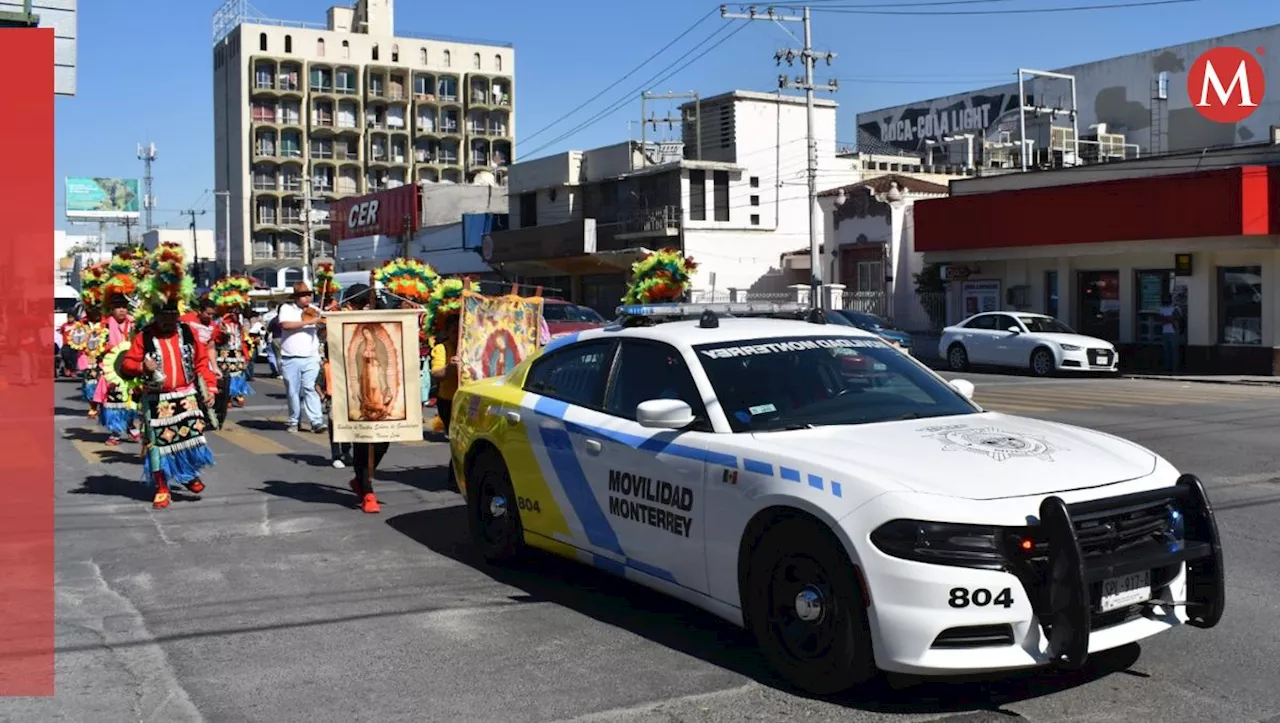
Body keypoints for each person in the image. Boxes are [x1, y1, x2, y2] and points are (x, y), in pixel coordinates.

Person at [117, 244, 219, 509]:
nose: (169, 320)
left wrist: (210, 388)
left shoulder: (187, 333)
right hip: (156, 400)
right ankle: (162, 487)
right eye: (164, 315)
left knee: (189, 441)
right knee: (158, 447)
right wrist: (143, 368)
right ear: (155, 313)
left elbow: (201, 363)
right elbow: (127, 364)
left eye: (173, 315)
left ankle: (187, 475)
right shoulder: (144, 336)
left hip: (186, 397)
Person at [276, 283, 326, 433]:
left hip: (311, 356)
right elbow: (285, 325)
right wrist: (310, 322)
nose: (307, 299)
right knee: (293, 391)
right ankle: (294, 420)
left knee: (311, 388)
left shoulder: (315, 310)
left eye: (309, 295)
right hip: (290, 356)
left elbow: (322, 333)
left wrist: (322, 325)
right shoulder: (287, 309)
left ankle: (316, 421)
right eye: (304, 296)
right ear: (297, 298)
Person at [1158, 293, 1182, 374]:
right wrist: (1170, 319)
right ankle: (1167, 368)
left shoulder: (1175, 308)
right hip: (1165, 332)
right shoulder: (1162, 308)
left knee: (1174, 351)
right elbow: (1161, 320)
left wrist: (1167, 319)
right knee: (1166, 351)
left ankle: (1175, 369)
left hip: (1173, 332)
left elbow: (1177, 318)